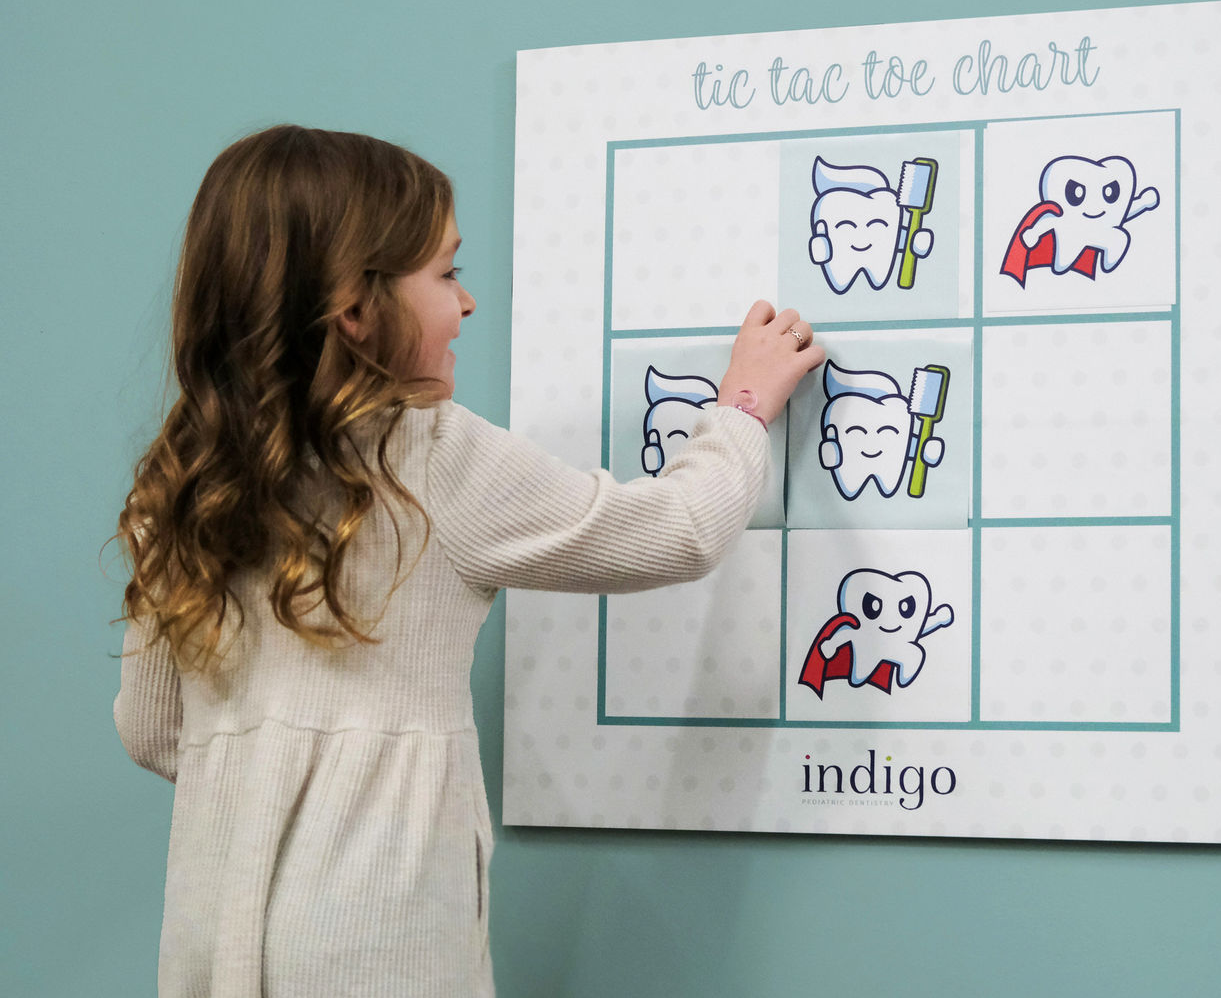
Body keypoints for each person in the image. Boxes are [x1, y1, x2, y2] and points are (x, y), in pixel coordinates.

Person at [112, 124, 824, 996]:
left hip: (210, 941)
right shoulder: (430, 457)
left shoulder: (177, 486)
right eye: (448, 273)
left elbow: (150, 729)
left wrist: (269, 759)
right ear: (355, 308)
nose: (469, 301)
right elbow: (681, 528)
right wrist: (742, 405)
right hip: (377, 949)